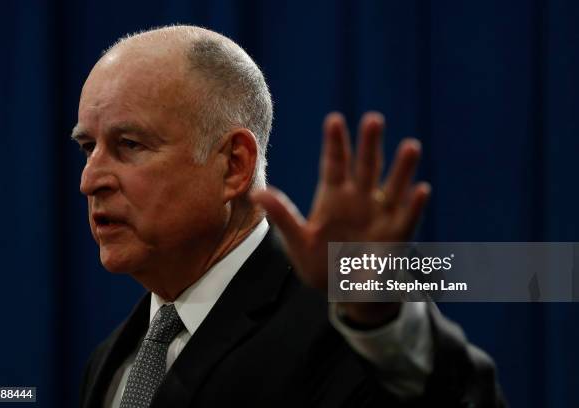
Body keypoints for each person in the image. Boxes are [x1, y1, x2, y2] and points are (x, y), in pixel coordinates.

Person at [75, 25, 504, 407]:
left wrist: (379, 322)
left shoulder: (348, 330)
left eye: (129, 144)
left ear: (234, 165)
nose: (90, 179)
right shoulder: (110, 361)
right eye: (86, 148)